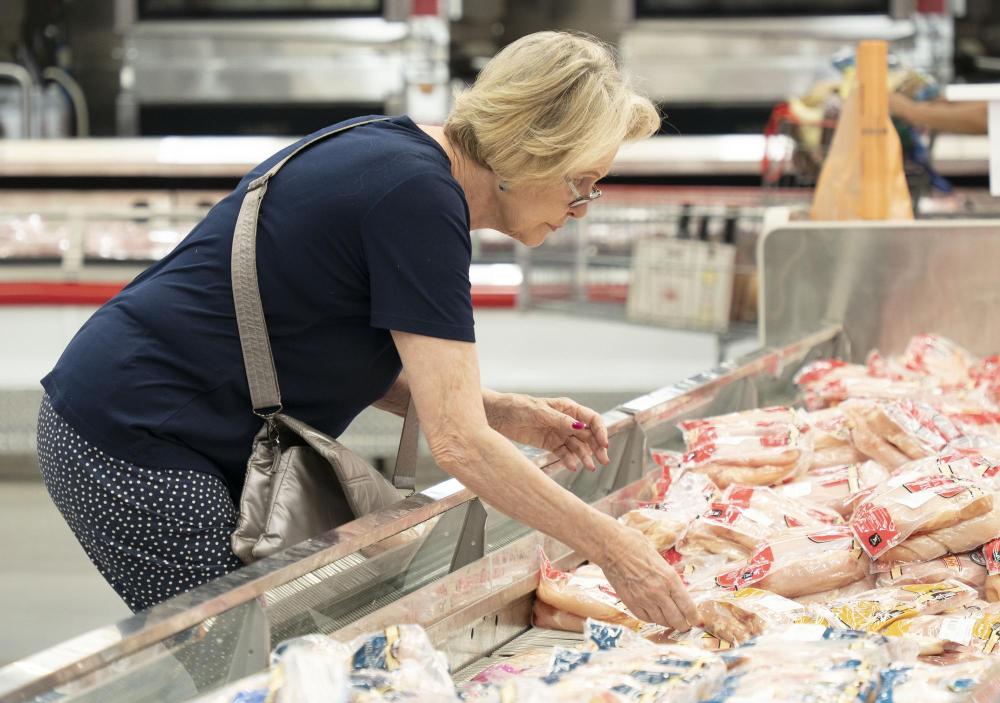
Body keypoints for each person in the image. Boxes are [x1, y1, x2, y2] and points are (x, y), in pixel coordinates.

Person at [36, 31, 697, 631]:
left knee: (293, 649)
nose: (580, 210)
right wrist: (616, 548)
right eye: (582, 183)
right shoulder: (418, 199)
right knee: (246, 657)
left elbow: (330, 337)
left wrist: (502, 411)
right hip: (130, 434)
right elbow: (460, 444)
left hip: (156, 418)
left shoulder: (398, 154)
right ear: (532, 150)